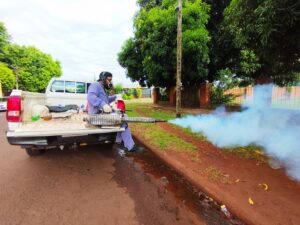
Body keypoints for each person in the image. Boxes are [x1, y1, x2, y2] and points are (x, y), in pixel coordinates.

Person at [87, 71, 143, 153]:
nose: (110, 82)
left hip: (100, 115)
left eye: (111, 80)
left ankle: (119, 142)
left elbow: (106, 99)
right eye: (109, 80)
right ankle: (130, 146)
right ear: (103, 79)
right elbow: (91, 96)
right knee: (123, 121)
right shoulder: (95, 85)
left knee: (123, 117)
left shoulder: (102, 88)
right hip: (95, 117)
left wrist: (115, 97)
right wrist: (102, 104)